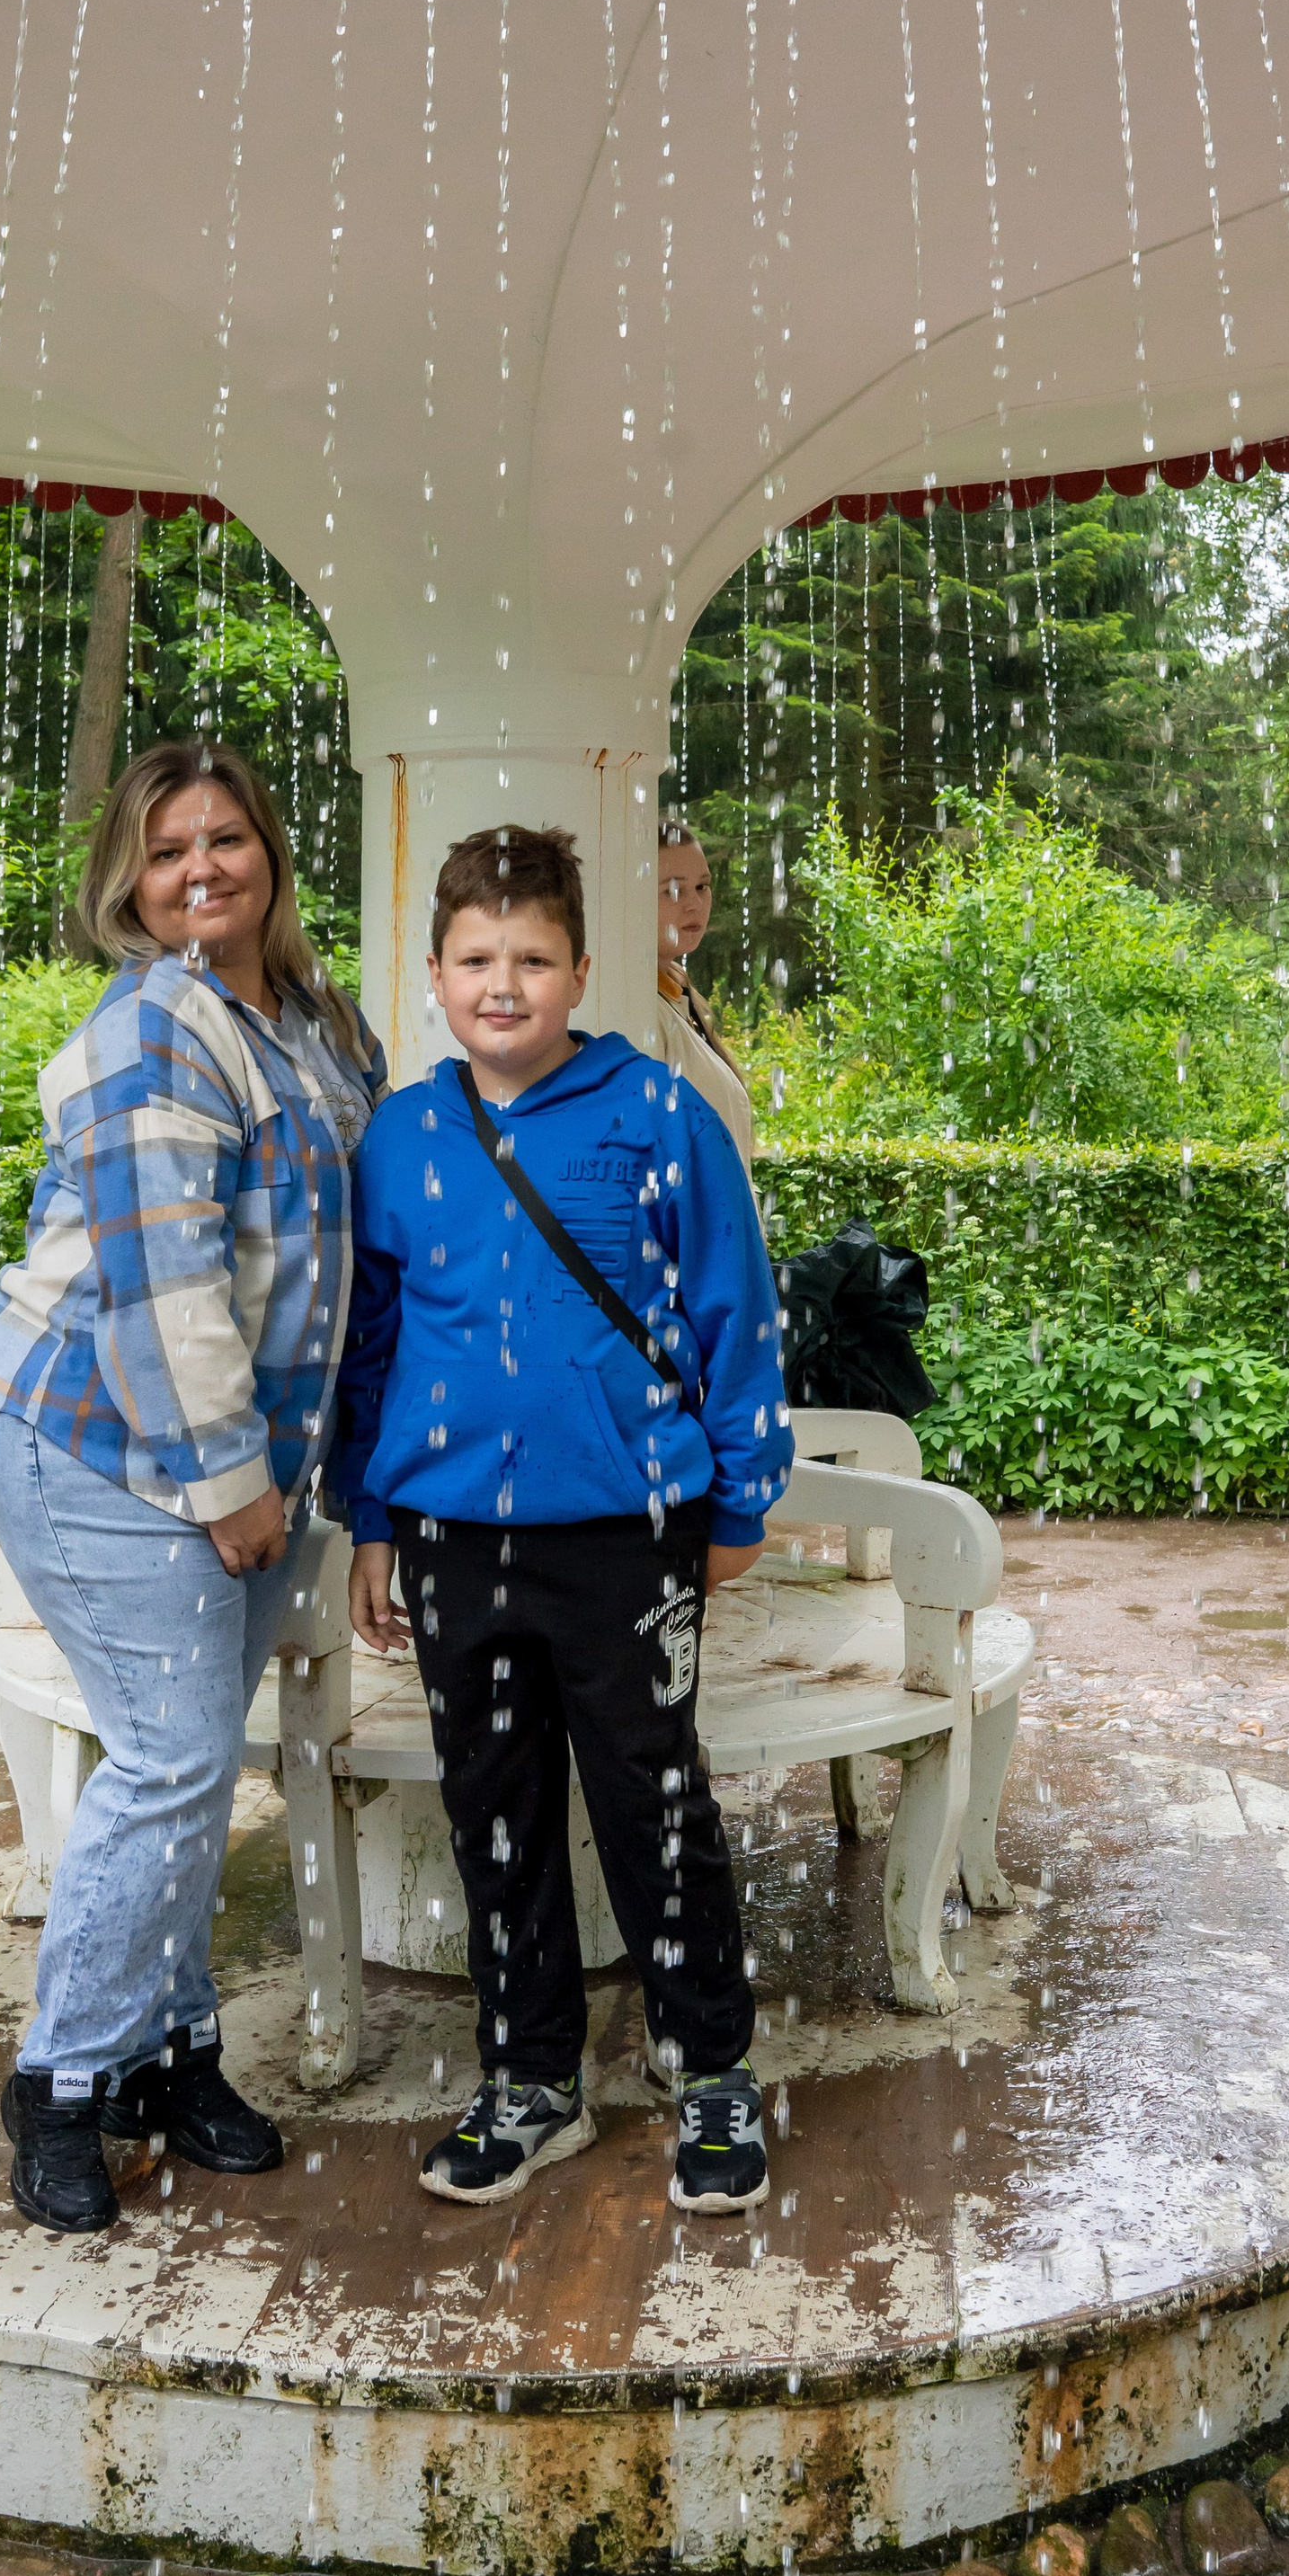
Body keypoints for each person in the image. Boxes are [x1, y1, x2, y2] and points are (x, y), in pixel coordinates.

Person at [331, 823, 791, 2221]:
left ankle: (708, 2065)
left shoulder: (656, 1117)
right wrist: (368, 1518)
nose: (505, 983)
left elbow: (734, 1305)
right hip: (455, 1540)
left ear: (583, 969)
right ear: (433, 974)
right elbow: (374, 1342)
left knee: (657, 1797)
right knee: (499, 1811)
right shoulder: (403, 1136)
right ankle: (532, 2076)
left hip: (626, 1531)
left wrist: (737, 1496)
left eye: (533, 957)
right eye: (478, 958)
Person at [0, 739, 384, 2233]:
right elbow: (160, 1289)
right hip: (97, 1440)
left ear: (267, 851)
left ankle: (170, 2052)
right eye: (164, 852)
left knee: (192, 1757)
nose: (200, 868)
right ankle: (63, 2082)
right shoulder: (156, 1032)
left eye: (223, 839)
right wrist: (229, 1488)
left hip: (234, 1455)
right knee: (169, 1762)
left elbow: (355, 1259)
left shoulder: (317, 1024)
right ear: (130, 891)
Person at [654, 819, 754, 1171]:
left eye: (703, 886)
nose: (695, 904)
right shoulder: (640, 1010)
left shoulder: (677, 996)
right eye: (674, 890)